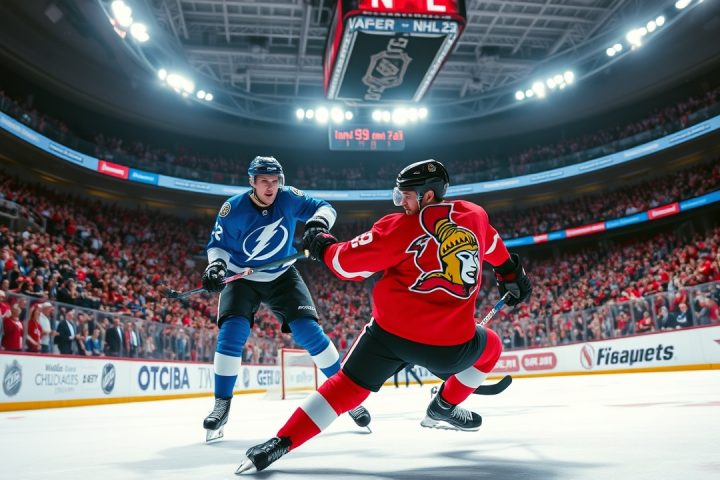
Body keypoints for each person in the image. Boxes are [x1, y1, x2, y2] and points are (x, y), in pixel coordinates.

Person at [236, 159, 532, 474]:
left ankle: (279, 443)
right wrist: (509, 271)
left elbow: (346, 266)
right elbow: (492, 243)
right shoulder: (474, 215)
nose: (401, 202)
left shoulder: (398, 227)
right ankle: (444, 406)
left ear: (427, 195)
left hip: (390, 338)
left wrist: (322, 244)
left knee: (345, 387)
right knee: (491, 346)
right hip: (450, 349)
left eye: (406, 195)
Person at [200, 156, 371, 442]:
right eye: (264, 181)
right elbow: (218, 245)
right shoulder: (233, 208)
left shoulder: (289, 197)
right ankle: (222, 405)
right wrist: (216, 266)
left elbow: (325, 207)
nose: (271, 187)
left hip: (282, 275)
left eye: (275, 181)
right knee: (232, 333)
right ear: (252, 182)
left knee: (310, 333)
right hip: (241, 277)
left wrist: (317, 225)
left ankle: (347, 395)